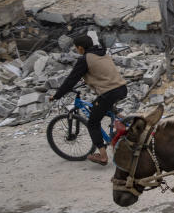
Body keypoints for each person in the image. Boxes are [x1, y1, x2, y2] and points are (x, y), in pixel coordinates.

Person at [51, 35, 128, 166]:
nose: (77, 50)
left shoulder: (85, 59)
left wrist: (57, 95)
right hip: (121, 88)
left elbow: (71, 80)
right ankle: (123, 120)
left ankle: (103, 156)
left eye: (76, 48)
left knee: (92, 123)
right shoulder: (102, 53)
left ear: (80, 48)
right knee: (97, 106)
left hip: (108, 92)